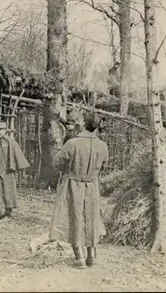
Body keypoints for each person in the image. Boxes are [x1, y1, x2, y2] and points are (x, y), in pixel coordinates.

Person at [48, 111, 109, 269]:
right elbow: (104, 166)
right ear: (96, 127)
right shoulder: (103, 146)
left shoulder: (72, 143)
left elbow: (56, 163)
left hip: (73, 184)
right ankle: (91, 257)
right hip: (92, 185)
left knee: (75, 217)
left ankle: (79, 257)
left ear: (83, 123)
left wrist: (69, 170)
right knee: (91, 218)